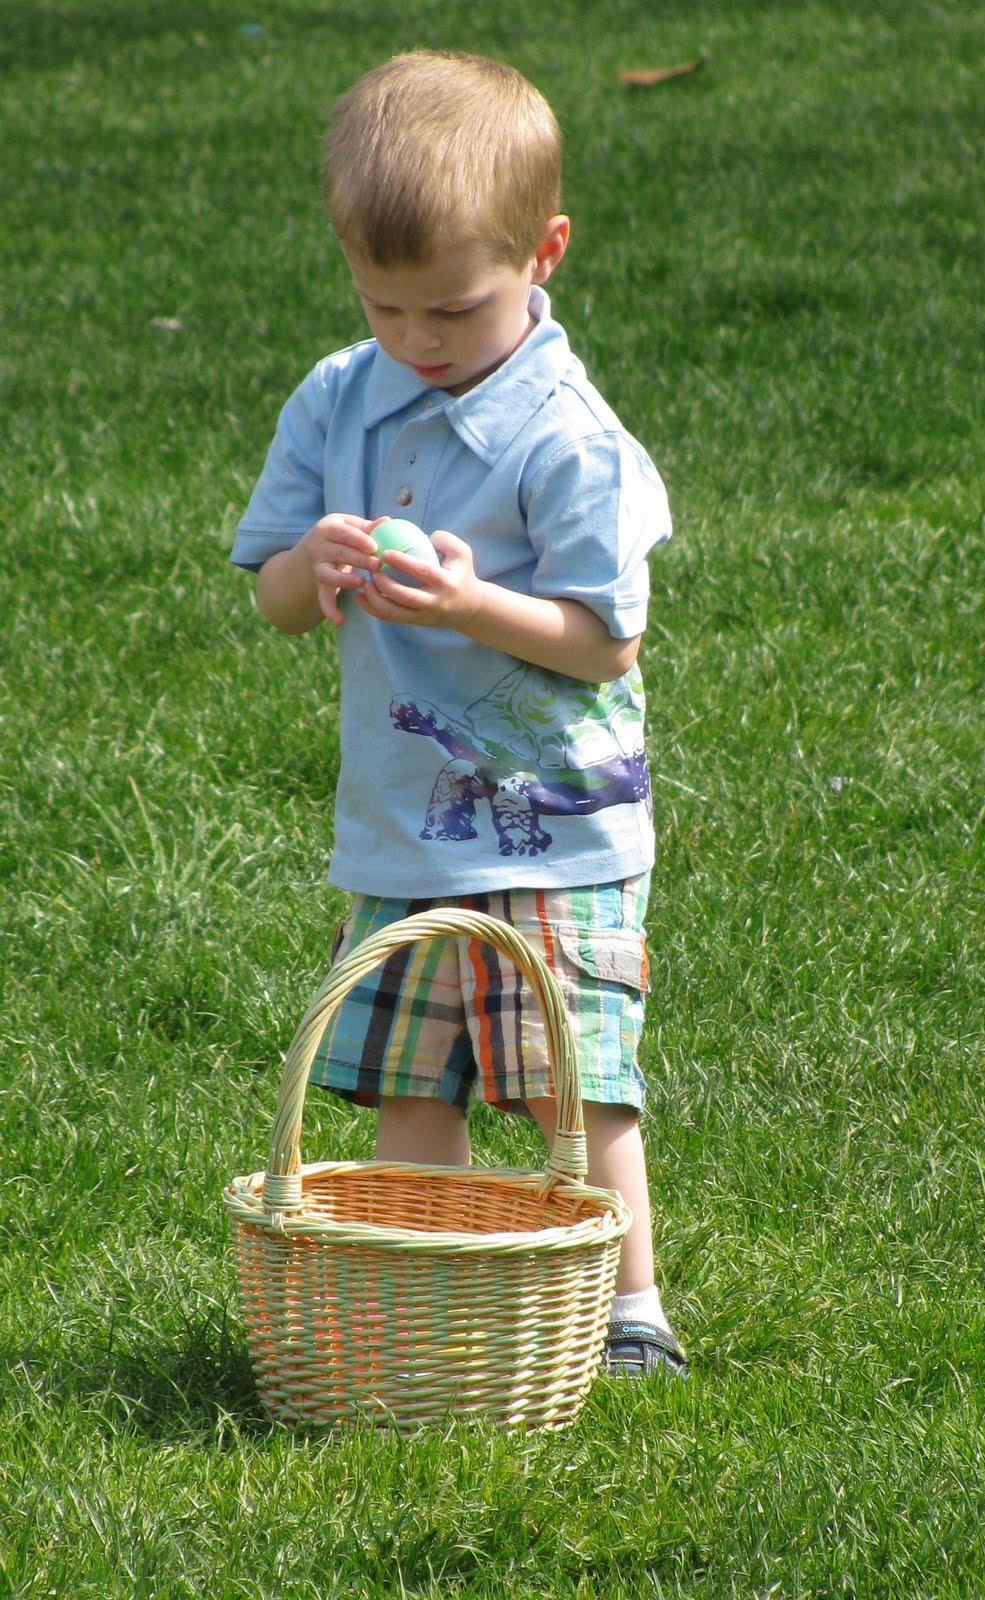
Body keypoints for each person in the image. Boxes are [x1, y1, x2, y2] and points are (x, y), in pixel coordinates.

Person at [230, 49, 685, 1378]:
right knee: (406, 1078)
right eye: (385, 307)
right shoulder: (337, 398)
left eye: (457, 311)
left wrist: (470, 605)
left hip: (561, 831)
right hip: (403, 828)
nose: (420, 342)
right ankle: (407, 1297)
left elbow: (605, 641)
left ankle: (626, 1308)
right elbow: (269, 596)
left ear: (544, 255)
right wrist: (307, 575)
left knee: (575, 1078)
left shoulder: (570, 438)